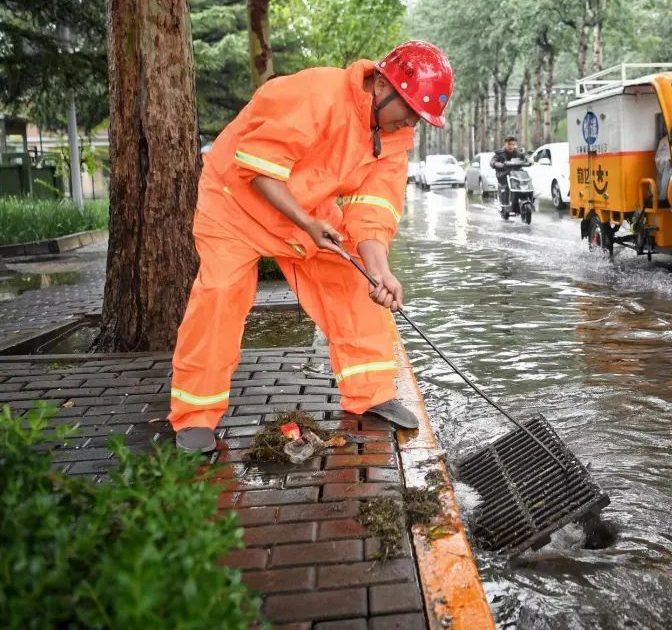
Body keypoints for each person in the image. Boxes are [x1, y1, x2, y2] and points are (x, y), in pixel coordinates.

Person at [169, 41, 453, 453]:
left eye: (419, 117)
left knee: (352, 281)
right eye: (409, 109)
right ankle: (195, 415)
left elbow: (371, 212)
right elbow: (258, 168)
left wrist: (379, 272)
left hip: (305, 210)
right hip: (234, 203)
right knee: (220, 296)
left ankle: (370, 393)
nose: (411, 121)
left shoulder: (393, 138)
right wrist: (307, 223)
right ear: (381, 85)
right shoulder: (314, 93)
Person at [490, 136, 526, 206]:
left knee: (525, 179)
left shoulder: (517, 153)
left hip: (516, 175)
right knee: (506, 188)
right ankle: (505, 203)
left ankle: (527, 197)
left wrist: (525, 158)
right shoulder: (499, 153)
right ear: (505, 144)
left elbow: (523, 160)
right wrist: (495, 163)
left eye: (513, 144)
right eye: (509, 144)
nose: (511, 146)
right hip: (503, 175)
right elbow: (492, 161)